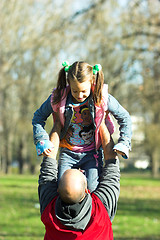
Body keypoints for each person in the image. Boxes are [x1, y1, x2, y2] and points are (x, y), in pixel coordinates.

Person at [33, 61, 132, 191]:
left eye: (83, 91)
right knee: (63, 189)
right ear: (69, 83)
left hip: (92, 153)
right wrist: (42, 140)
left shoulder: (102, 97)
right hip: (68, 152)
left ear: (92, 82)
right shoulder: (59, 97)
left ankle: (88, 210)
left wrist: (124, 142)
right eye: (75, 91)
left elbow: (125, 117)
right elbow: (38, 117)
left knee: (92, 188)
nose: (79, 95)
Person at [38, 120, 120, 240]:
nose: (81, 169)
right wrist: (101, 121)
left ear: (58, 188)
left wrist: (57, 124)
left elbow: (48, 165)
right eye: (82, 173)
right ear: (87, 189)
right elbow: (111, 165)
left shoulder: (49, 209)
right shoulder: (101, 209)